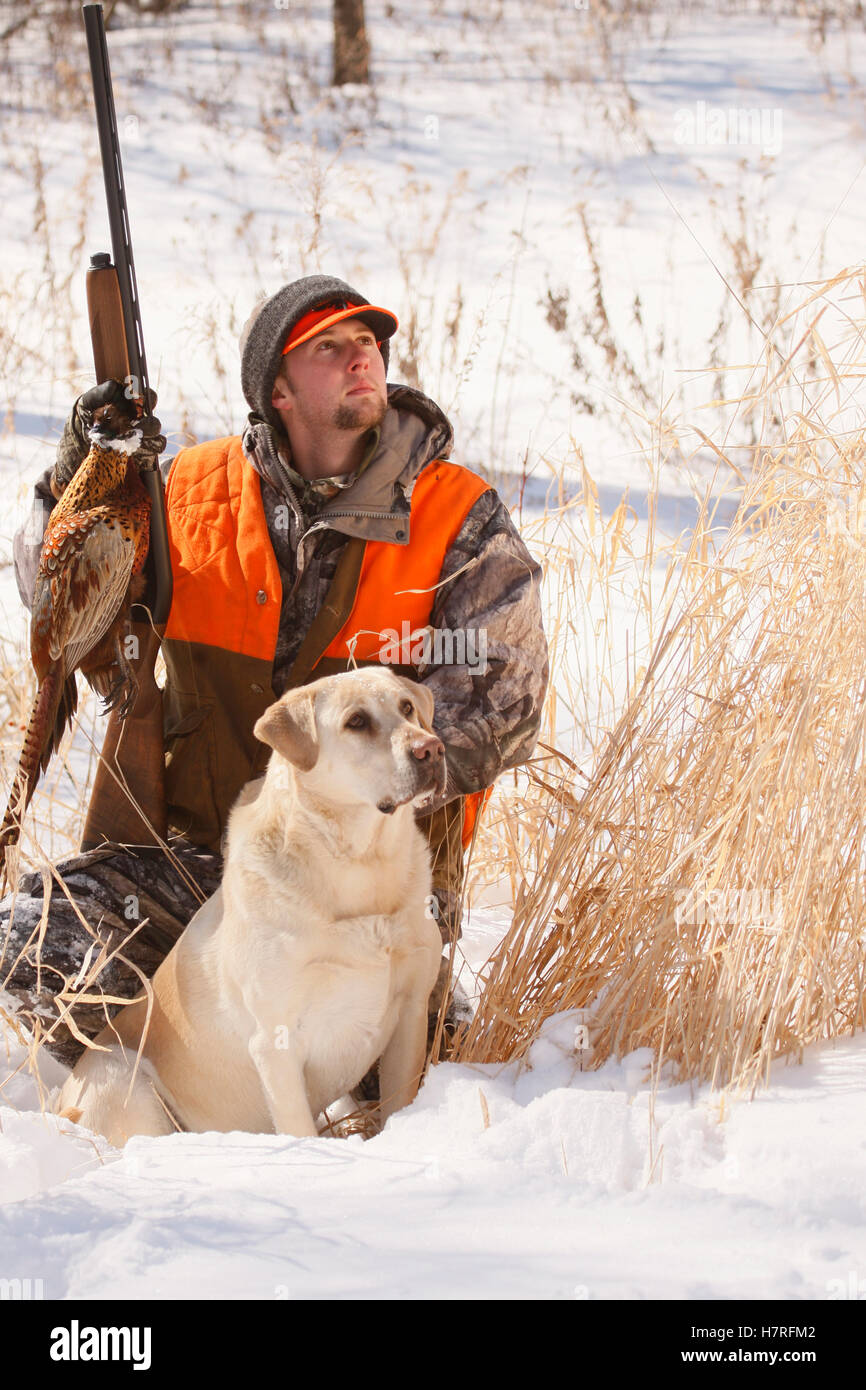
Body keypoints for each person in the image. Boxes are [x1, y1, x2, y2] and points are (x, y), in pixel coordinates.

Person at [1, 274, 549, 1076]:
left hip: (371, 889)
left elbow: (505, 703)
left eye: (367, 342)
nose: (361, 359)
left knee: (389, 1069)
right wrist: (77, 485)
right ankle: (180, 1088)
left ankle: (395, 1038)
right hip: (200, 868)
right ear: (279, 391)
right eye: (329, 348)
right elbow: (54, 596)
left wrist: (351, 787)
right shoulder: (185, 492)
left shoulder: (457, 518)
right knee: (33, 947)